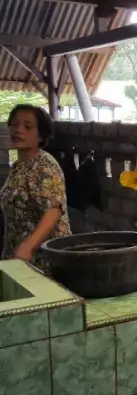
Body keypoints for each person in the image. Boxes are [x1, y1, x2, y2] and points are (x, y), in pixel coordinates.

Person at [0, 104, 72, 272]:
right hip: (18, 258)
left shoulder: (45, 166)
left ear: (40, 136)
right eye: (14, 124)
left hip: (44, 261)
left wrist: (28, 246)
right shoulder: (19, 166)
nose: (18, 130)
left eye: (27, 126)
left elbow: (54, 210)